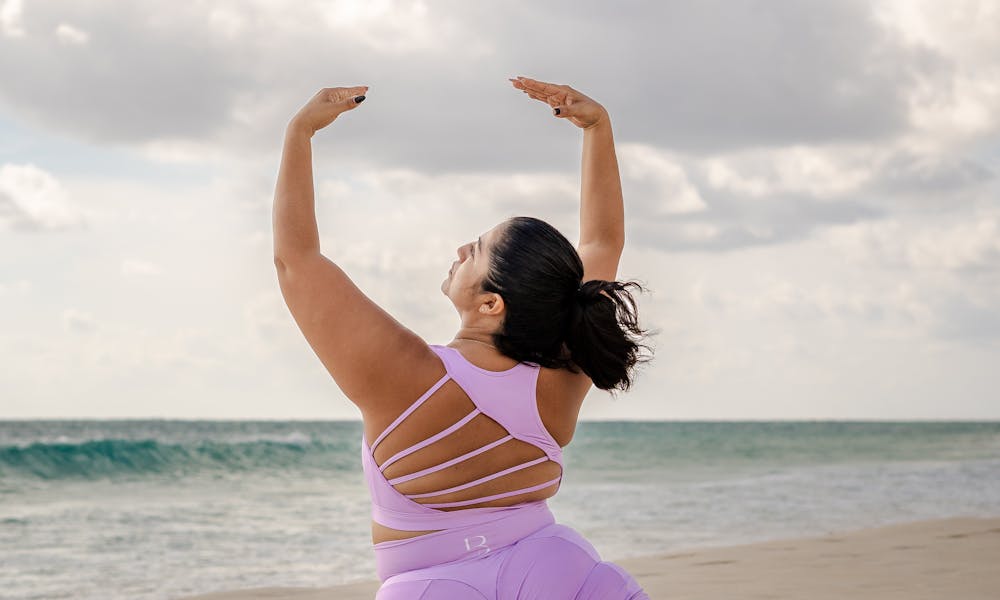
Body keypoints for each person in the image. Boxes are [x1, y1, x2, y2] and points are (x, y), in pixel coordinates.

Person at [273, 75, 654, 599]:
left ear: (491, 304)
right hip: (553, 571)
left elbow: (297, 262)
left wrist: (300, 132)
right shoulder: (563, 370)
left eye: (474, 251)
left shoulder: (408, 375)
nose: (458, 250)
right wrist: (597, 128)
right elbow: (603, 241)